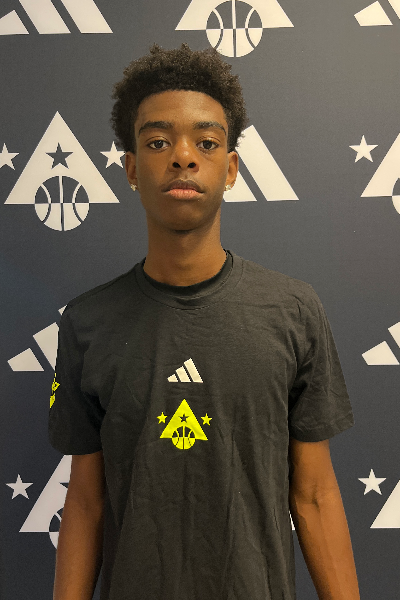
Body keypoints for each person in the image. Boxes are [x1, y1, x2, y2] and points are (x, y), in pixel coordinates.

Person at [48, 44, 360, 600]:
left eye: (207, 142)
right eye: (158, 142)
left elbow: (314, 496)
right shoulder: (87, 323)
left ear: (231, 169)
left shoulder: (293, 311)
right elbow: (87, 502)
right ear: (131, 169)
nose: (183, 157)